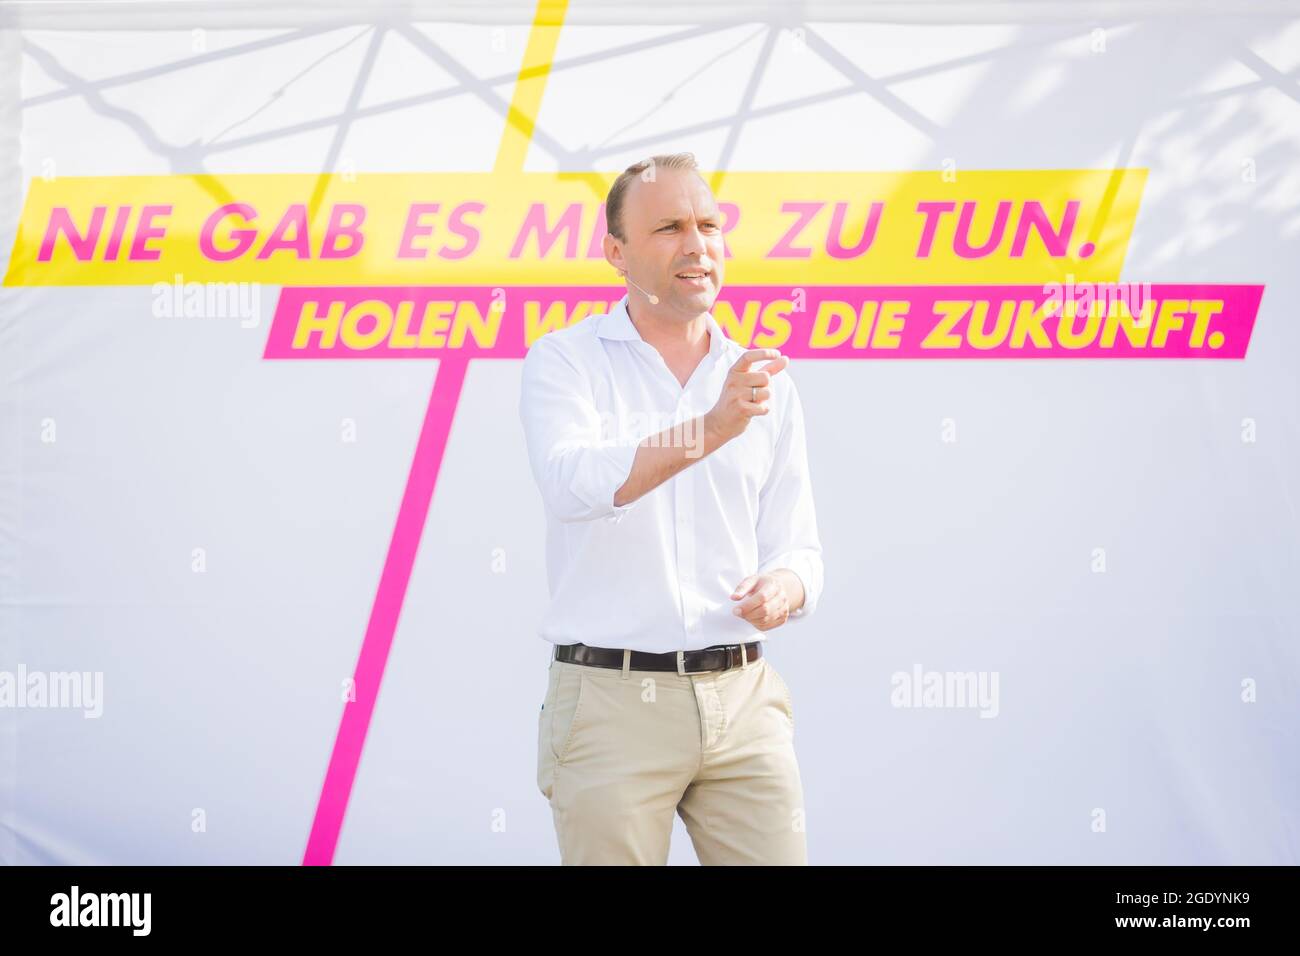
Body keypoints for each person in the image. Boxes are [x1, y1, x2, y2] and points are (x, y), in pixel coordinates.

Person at [518, 151, 824, 865]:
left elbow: (800, 547)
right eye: (669, 227)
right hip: (610, 703)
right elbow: (572, 483)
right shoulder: (566, 362)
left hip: (743, 700)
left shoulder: (763, 378)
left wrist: (786, 587)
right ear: (615, 253)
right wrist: (709, 429)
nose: (697, 244)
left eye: (709, 224)